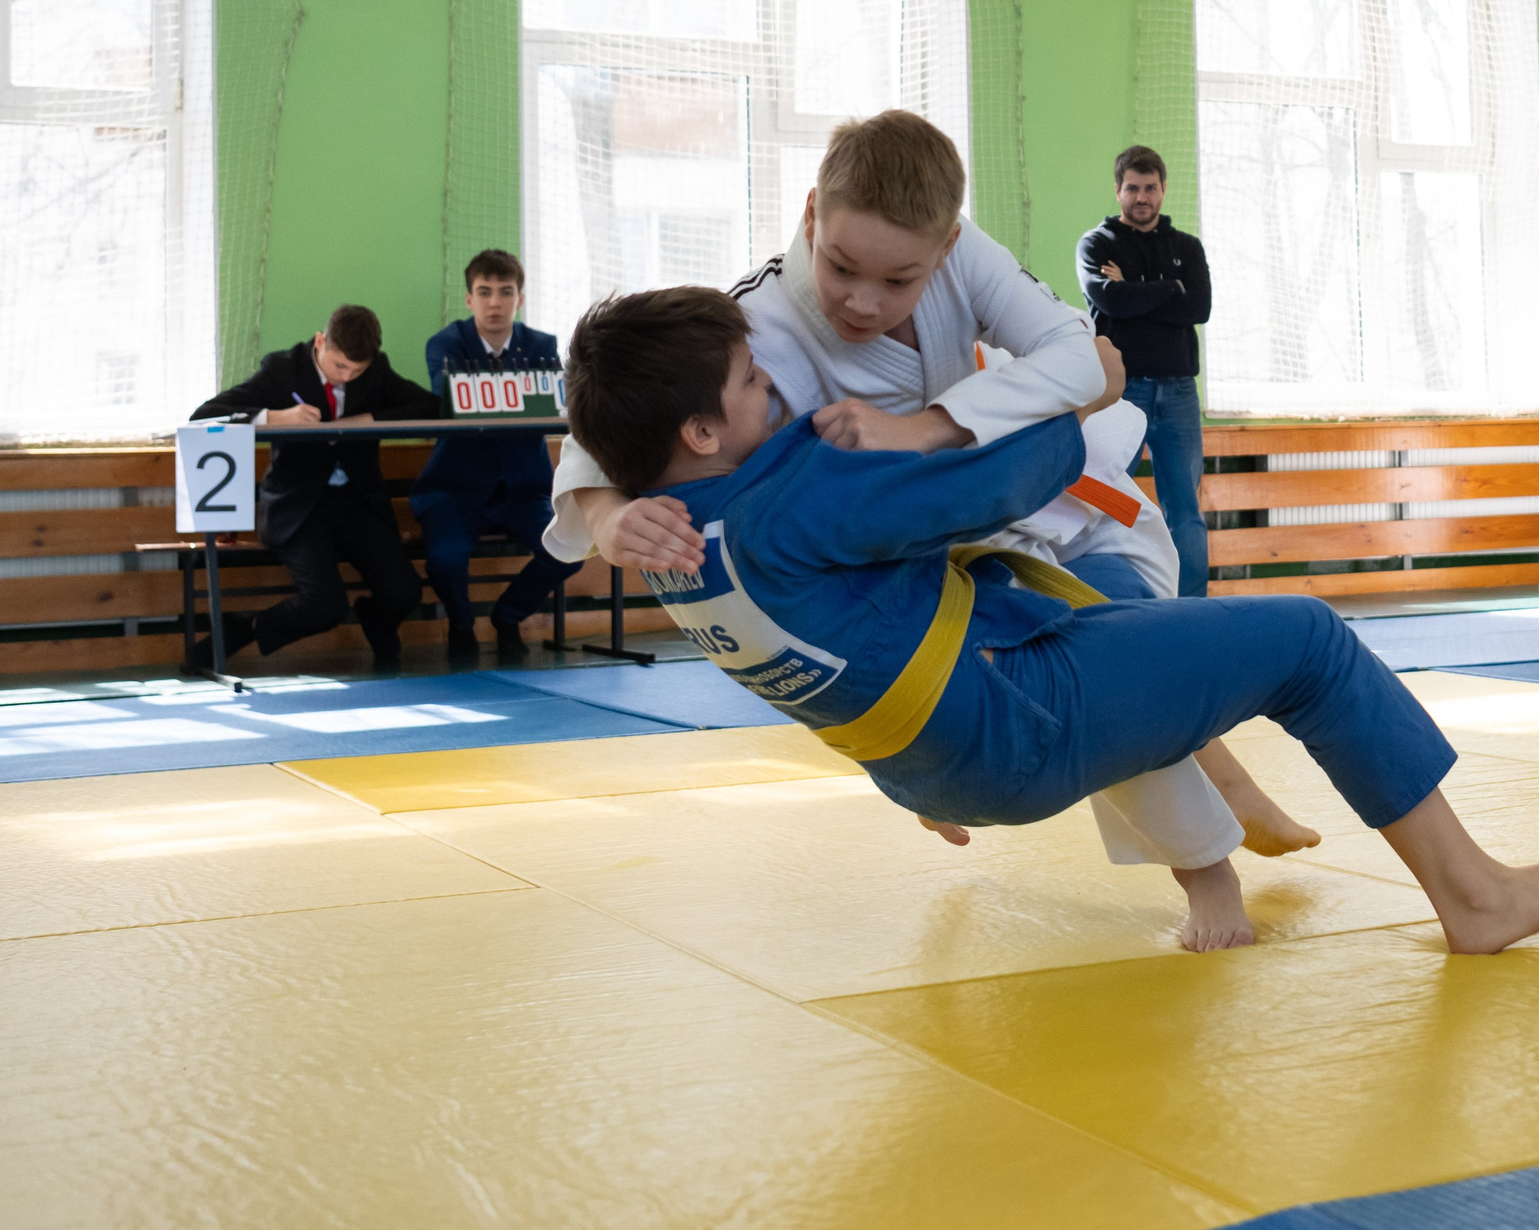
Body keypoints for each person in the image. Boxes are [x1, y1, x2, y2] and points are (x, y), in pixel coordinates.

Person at [561, 284, 1539, 955]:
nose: (776, 390)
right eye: (752, 384)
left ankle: (1222, 791)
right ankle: (1474, 895)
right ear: (702, 429)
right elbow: (1012, 481)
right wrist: (1072, 401)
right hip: (1017, 719)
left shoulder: (672, 543)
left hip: (936, 753)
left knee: (1119, 603)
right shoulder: (796, 496)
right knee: (1307, 638)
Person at [550, 110, 1317, 865]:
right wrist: (607, 512)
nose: (862, 301)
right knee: (1075, 659)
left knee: (1113, 632)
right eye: (842, 266)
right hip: (875, 548)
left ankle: (1222, 810)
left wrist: (923, 427)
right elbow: (606, 399)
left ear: (944, 247)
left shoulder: (961, 250)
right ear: (812, 216)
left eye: (900, 280)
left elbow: (1086, 359)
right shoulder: (756, 318)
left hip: (976, 480)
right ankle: (1206, 851)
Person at [191, 304, 442, 671]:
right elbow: (204, 416)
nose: (346, 377)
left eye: (358, 370)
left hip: (357, 503)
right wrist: (274, 418)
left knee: (405, 591)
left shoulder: (376, 372)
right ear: (320, 341)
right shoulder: (282, 368)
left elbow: (432, 407)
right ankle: (242, 630)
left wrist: (369, 420)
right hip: (300, 507)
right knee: (325, 607)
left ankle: (375, 619)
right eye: (339, 366)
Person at [411, 249, 578, 664]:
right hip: (454, 490)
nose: (495, 302)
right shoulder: (445, 343)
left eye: (505, 292)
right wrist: (521, 398)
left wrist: (496, 398)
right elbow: (450, 399)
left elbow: (549, 407)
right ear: (469, 299)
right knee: (444, 559)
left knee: (570, 547)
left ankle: (509, 616)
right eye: (484, 292)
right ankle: (462, 626)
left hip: (524, 489)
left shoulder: (542, 345)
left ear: (520, 298)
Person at [1075, 146, 1212, 597]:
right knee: (1109, 501)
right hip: (1119, 393)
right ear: (1118, 190)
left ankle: (1191, 612)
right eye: (1132, 187)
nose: (1142, 196)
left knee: (1184, 510)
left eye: (1150, 187)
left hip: (1178, 392)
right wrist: (1168, 290)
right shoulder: (1096, 244)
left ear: (1163, 189)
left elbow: (1199, 307)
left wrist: (1134, 289)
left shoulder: (1187, 248)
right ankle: (1118, 602)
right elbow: (1109, 301)